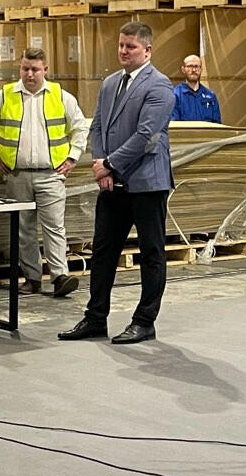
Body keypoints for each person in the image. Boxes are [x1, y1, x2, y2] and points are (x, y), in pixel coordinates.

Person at [58, 22, 174, 345]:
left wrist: (109, 163)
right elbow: (97, 127)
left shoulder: (159, 86)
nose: (123, 51)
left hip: (147, 184)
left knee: (151, 253)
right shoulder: (110, 83)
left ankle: (144, 321)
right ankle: (96, 317)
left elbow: (146, 136)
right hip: (112, 183)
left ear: (147, 51)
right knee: (103, 252)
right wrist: (103, 166)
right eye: (121, 45)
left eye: (130, 47)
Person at [0, 47, 88, 298]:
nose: (30, 74)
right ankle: (32, 278)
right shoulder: (3, 96)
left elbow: (80, 128)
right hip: (17, 175)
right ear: (20, 68)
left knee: (54, 227)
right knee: (23, 229)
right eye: (25, 69)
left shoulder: (61, 97)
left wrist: (72, 157)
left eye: (35, 69)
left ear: (45, 70)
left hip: (51, 174)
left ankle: (59, 276)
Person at [170, 54, 221, 123]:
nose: (194, 70)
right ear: (183, 69)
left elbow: (217, 124)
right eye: (190, 66)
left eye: (196, 66)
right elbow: (174, 125)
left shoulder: (210, 95)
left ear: (201, 70)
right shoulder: (175, 95)